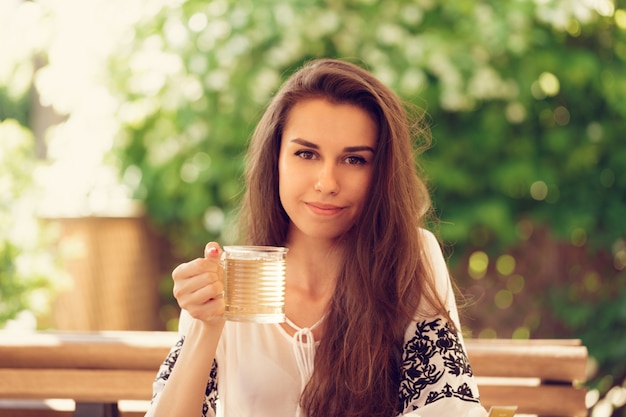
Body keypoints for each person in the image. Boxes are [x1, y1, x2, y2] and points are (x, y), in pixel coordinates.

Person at [146, 58, 488, 417]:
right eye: (306, 154)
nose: (327, 183)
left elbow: (448, 407)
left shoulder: (409, 258)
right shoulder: (232, 278)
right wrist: (205, 327)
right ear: (275, 158)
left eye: (354, 160)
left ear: (382, 173)